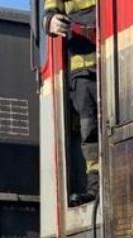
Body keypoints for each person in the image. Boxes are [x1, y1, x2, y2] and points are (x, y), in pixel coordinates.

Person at [44, 0, 99, 207]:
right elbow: (50, 13)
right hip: (83, 64)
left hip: (117, 47)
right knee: (90, 127)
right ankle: (96, 186)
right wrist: (50, 21)